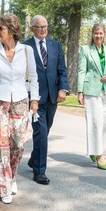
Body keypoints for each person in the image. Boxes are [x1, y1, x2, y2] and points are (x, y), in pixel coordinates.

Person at [0, 13, 40, 204]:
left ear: (12, 31)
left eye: (0, 29)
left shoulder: (27, 51)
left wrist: (35, 100)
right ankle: (4, 186)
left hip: (21, 100)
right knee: (1, 146)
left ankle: (11, 176)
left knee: (18, 143)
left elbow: (33, 76)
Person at [23, 15, 69, 185]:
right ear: (32, 28)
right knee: (40, 132)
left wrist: (63, 89)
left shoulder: (55, 45)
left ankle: (34, 158)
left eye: (45, 26)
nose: (43, 29)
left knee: (46, 130)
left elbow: (62, 70)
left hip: (53, 95)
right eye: (39, 27)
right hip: (34, 97)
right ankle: (39, 171)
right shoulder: (25, 47)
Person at [77, 23, 106, 170]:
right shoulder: (86, 50)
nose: (98, 36)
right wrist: (80, 92)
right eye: (96, 33)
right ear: (92, 35)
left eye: (101, 33)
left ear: (104, 34)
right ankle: (99, 154)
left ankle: (95, 147)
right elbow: (82, 71)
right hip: (91, 89)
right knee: (96, 122)